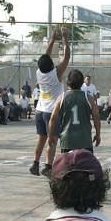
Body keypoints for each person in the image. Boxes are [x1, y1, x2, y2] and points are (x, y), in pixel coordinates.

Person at [30, 28, 70, 177]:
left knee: (41, 138)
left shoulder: (39, 73)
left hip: (39, 110)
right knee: (52, 140)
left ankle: (35, 163)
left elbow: (45, 58)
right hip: (51, 112)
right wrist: (65, 38)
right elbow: (66, 58)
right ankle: (48, 166)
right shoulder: (56, 73)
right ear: (51, 65)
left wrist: (52, 40)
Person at [48, 69, 101, 154]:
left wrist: (50, 136)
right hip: (85, 140)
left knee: (67, 166)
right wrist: (98, 134)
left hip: (67, 140)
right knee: (86, 166)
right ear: (81, 83)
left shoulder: (61, 98)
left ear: (68, 82)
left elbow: (53, 118)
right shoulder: (89, 98)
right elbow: (96, 117)